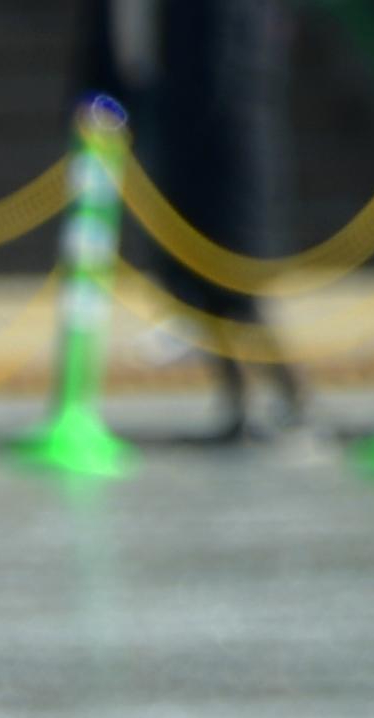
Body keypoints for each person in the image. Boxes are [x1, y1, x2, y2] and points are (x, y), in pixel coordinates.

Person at [79, 0, 307, 441]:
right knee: (191, 289)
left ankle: (290, 396)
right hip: (173, 140)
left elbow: (246, 64)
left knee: (239, 293)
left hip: (225, 151)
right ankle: (236, 402)